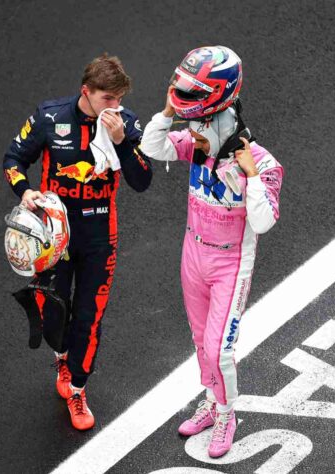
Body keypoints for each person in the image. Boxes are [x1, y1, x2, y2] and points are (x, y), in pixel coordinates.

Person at [140, 46, 283, 457]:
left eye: (202, 124)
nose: (195, 133)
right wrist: (167, 112)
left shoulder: (262, 162)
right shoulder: (197, 143)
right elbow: (153, 146)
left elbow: (264, 222)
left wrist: (250, 177)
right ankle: (212, 401)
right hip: (192, 253)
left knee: (220, 349)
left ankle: (227, 414)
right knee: (201, 341)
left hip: (230, 262)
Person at [2, 54, 152, 430]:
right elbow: (14, 158)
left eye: (119, 99)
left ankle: (78, 388)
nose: (114, 107)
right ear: (86, 91)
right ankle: (63, 356)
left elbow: (142, 179)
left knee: (90, 315)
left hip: (101, 235)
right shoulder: (49, 117)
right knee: (53, 309)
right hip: (55, 235)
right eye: (107, 99)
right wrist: (24, 190)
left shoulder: (127, 124)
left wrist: (120, 142)